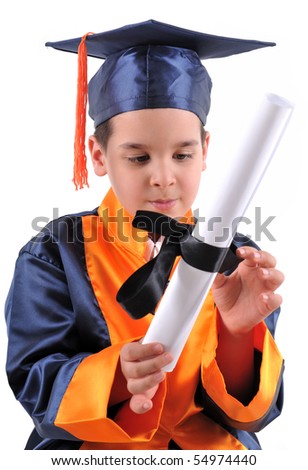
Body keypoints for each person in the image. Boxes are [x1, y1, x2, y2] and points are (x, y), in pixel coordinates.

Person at [5, 19, 284, 450]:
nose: (163, 177)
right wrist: (116, 375)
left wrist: (237, 334)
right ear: (98, 156)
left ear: (205, 151)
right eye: (138, 157)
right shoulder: (55, 252)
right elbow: (34, 378)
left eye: (182, 154)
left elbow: (248, 413)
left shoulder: (237, 259)